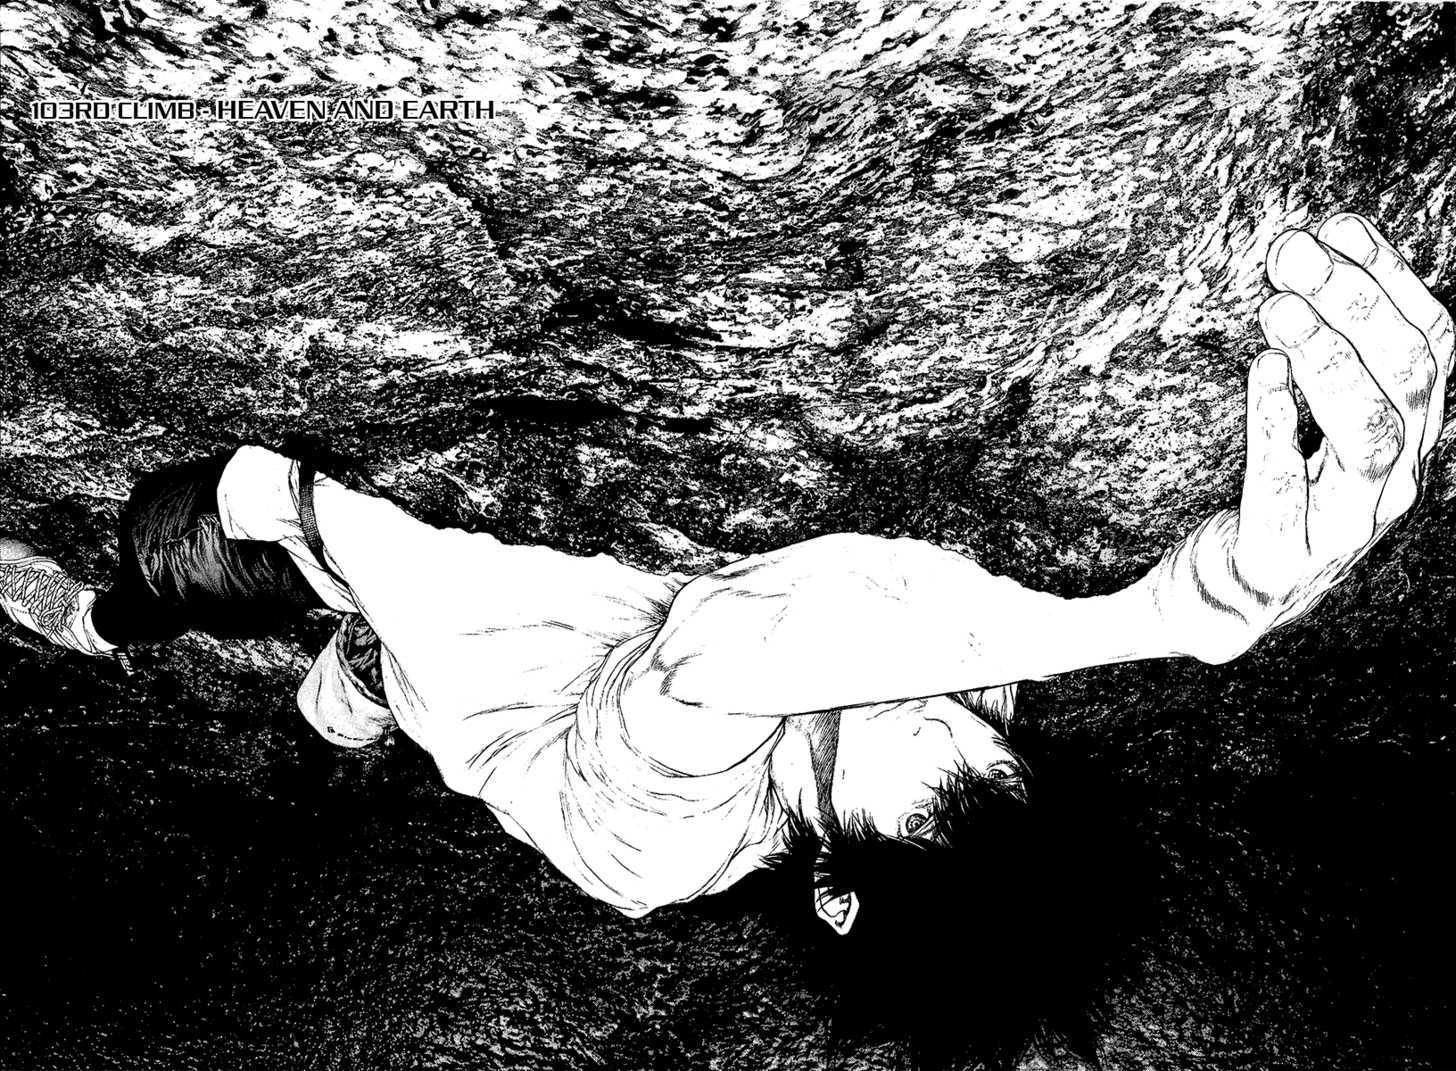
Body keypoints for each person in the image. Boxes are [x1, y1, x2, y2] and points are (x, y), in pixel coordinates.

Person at [3, 213, 1451, 1067]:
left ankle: (104, 625)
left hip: (479, 664)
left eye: (928, 786)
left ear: (835, 886)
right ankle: (348, 701)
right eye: (992, 749)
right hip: (563, 619)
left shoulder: (657, 838)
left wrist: (1160, 620)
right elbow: (917, 657)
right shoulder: (958, 717)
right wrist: (1209, 586)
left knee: (197, 537)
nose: (948, 718)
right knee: (359, 683)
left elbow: (735, 650)